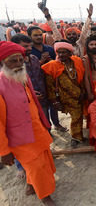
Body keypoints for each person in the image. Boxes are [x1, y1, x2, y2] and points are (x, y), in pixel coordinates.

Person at [0, 41, 56, 205]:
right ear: (2, 62)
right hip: (19, 137)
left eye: (20, 59)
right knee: (36, 166)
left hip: (37, 130)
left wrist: (44, 123)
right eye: (13, 60)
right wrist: (4, 151)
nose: (18, 64)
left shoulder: (23, 77)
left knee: (44, 161)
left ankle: (32, 184)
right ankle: (45, 197)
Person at [41, 41, 86, 148]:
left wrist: (83, 91)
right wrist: (54, 101)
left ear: (69, 53)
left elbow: (82, 78)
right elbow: (50, 86)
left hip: (78, 95)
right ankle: (76, 137)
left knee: (77, 116)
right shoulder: (52, 66)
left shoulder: (77, 61)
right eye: (59, 52)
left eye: (64, 52)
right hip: (63, 97)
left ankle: (76, 137)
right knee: (76, 116)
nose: (61, 55)